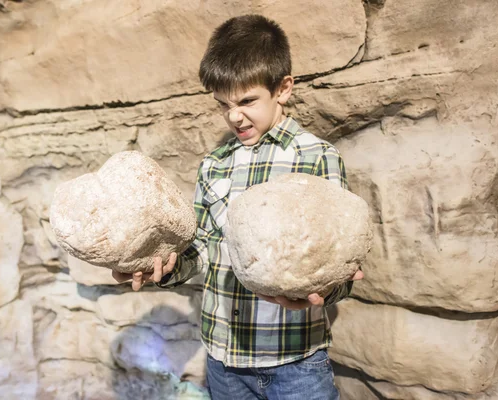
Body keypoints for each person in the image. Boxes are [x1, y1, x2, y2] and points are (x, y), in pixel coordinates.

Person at [113, 14, 364, 400]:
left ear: (282, 88)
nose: (233, 115)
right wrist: (159, 267)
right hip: (224, 361)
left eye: (247, 101)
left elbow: (340, 263)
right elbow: (201, 252)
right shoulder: (213, 165)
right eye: (223, 104)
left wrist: (326, 290)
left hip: (294, 362)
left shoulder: (317, 157)